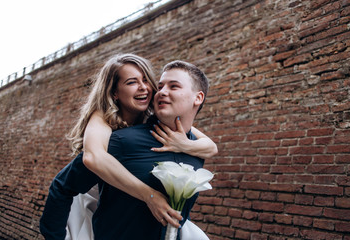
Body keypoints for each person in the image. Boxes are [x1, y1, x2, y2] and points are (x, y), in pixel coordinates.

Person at [40, 55, 217, 239]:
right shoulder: (110, 129)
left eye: (147, 81)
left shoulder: (183, 140)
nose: (146, 88)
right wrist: (150, 196)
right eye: (132, 82)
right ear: (114, 93)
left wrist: (186, 144)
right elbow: (88, 162)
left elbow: (210, 146)